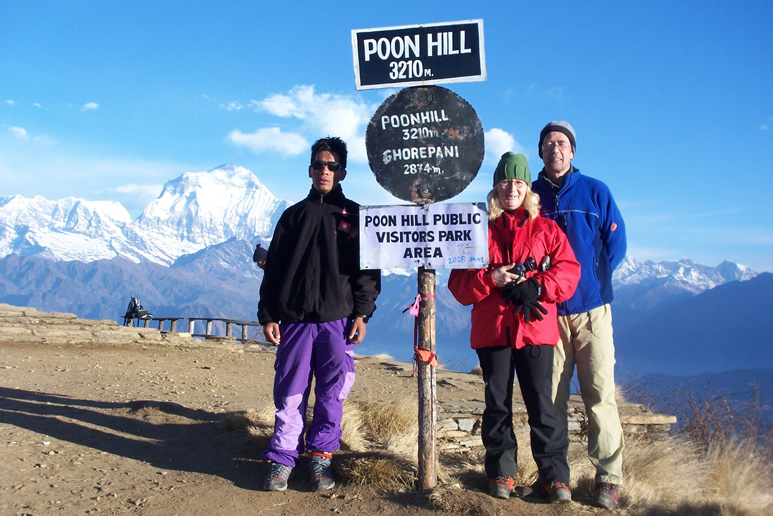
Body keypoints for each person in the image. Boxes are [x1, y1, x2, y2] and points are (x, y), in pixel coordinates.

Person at [448, 152, 580, 502]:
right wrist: (491, 277)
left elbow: (569, 272)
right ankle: (501, 475)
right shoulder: (476, 230)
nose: (512, 188)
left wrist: (536, 286)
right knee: (497, 405)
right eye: (506, 181)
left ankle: (555, 479)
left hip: (534, 328)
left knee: (542, 405)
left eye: (519, 182)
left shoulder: (547, 229)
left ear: (528, 188)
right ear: (496, 186)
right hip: (493, 330)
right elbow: (458, 286)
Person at [257, 136, 381, 492]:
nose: (324, 171)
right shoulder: (293, 216)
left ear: (342, 172)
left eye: (332, 166)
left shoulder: (355, 216)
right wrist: (269, 314)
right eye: (318, 165)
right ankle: (281, 459)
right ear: (310, 170)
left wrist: (362, 314)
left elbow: (368, 274)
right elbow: (274, 270)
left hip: (337, 321)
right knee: (290, 393)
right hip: (295, 320)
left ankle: (320, 457)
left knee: (332, 393)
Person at [531, 121, 627, 510]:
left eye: (563, 143)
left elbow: (615, 244)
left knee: (600, 392)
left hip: (592, 310)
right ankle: (556, 478)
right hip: (548, 312)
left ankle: (608, 478)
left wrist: (593, 281)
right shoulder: (530, 195)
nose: (556, 149)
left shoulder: (595, 191)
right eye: (549, 143)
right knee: (550, 397)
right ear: (540, 151)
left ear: (573, 152)